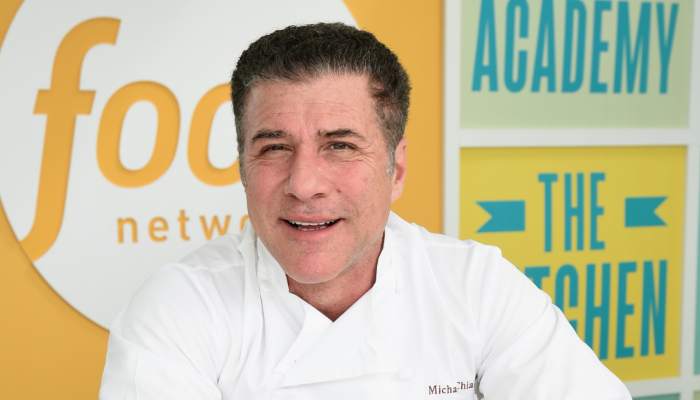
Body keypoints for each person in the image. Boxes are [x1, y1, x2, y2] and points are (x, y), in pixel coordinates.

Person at [99, 23, 631, 399]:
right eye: (275, 147)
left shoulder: (475, 287)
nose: (304, 184)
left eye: (340, 145)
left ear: (396, 169)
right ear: (242, 167)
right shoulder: (179, 310)